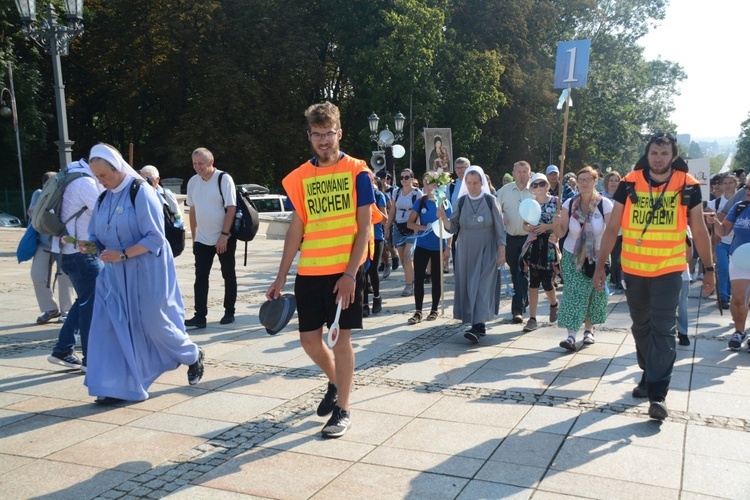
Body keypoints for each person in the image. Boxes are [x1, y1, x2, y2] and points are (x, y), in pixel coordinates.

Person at [266, 101, 375, 438]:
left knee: (342, 342)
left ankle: (342, 409)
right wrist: (281, 275)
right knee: (310, 341)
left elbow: (365, 227)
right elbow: (296, 230)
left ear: (339, 133)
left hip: (344, 272)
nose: (324, 140)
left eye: (329, 134)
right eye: (317, 135)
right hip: (311, 271)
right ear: (310, 136)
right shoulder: (301, 177)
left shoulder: (358, 171)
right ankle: (335, 381)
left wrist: (350, 275)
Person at [593, 133, 715, 421]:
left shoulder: (688, 186)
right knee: (641, 326)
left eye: (664, 153)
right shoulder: (629, 182)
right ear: (647, 155)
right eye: (653, 153)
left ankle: (658, 394)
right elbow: (612, 229)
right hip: (634, 270)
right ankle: (649, 372)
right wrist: (601, 265)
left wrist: (709, 269)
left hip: (669, 270)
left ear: (673, 156)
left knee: (663, 328)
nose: (658, 158)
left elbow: (698, 230)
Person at [83, 144, 204, 403]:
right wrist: (90, 246)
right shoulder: (102, 198)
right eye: (97, 177)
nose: (100, 181)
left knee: (154, 323)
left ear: (118, 168)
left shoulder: (141, 192)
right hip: (114, 275)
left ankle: (192, 355)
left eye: (104, 175)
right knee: (110, 328)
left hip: (147, 271)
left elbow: (156, 238)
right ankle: (115, 387)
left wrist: (123, 253)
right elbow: (96, 236)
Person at [46, 159, 104, 372]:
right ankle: (91, 360)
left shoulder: (69, 174)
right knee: (92, 304)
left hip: (64, 250)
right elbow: (103, 210)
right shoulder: (84, 182)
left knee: (84, 300)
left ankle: (63, 350)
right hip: (80, 253)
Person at [439, 166, 506, 343]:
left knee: (482, 285)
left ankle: (476, 327)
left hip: (488, 249)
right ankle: (479, 323)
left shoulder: (491, 200)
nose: (472, 186)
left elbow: (500, 228)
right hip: (466, 250)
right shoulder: (460, 202)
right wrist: (444, 219)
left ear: (482, 182)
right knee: (470, 285)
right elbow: (453, 228)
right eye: (469, 183)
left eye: (476, 183)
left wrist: (502, 250)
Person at [553, 166, 612, 350]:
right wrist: (555, 225)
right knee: (573, 293)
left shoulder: (605, 204)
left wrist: (607, 258)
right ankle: (571, 335)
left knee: (594, 295)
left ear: (596, 181)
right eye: (581, 180)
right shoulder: (569, 204)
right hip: (573, 256)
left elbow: (611, 231)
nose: (584, 183)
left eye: (588, 179)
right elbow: (561, 232)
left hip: (598, 256)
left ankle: (589, 330)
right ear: (577, 183)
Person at [185, 147, 237, 328]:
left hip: (224, 237)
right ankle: (200, 316)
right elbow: (192, 210)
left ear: (211, 162)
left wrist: (224, 235)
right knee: (200, 278)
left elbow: (231, 207)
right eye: (194, 164)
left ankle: (229, 311)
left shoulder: (224, 179)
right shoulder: (193, 182)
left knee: (228, 274)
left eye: (201, 164)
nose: (197, 167)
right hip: (202, 238)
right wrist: (194, 236)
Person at [28, 172, 74, 325]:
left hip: (62, 243)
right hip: (43, 243)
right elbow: (31, 213)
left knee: (64, 278)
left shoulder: (66, 195)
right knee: (37, 275)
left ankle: (67, 311)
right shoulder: (38, 194)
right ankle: (50, 308)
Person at [406, 173, 451, 324]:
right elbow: (409, 223)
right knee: (418, 277)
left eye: (430, 184)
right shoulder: (421, 201)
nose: (427, 187)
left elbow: (450, 227)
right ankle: (418, 310)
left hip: (438, 246)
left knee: (437, 278)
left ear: (437, 185)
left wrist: (448, 247)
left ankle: (434, 309)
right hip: (423, 245)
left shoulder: (444, 202)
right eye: (425, 184)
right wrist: (424, 227)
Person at [711, 181, 750, 351]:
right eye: (748, 187)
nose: (748, 191)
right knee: (738, 299)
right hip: (739, 259)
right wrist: (714, 222)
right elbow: (723, 231)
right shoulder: (740, 207)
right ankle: (739, 332)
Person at [520, 173, 559, 332]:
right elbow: (525, 224)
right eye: (534, 185)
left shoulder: (556, 202)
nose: (538, 187)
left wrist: (547, 227)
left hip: (549, 245)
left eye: (541, 184)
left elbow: (560, 224)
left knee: (547, 282)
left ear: (547, 185)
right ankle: (532, 318)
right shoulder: (529, 203)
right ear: (531, 188)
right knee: (533, 282)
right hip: (534, 244)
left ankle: (554, 303)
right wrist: (528, 228)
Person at [495, 161, 532, 324]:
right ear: (513, 173)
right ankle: (524, 299)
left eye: (525, 172)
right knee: (515, 273)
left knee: (522, 271)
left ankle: (517, 310)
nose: (522, 174)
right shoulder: (504, 191)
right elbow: (495, 212)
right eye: (519, 172)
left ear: (530, 173)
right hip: (510, 238)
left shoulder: (535, 190)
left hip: (529, 239)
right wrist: (500, 218)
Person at [386, 168, 422, 297]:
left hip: (412, 227)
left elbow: (420, 211)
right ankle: (411, 277)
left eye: (407, 177)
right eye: (402, 177)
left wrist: (417, 228)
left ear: (412, 179)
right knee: (402, 258)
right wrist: (387, 227)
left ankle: (409, 285)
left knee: (407, 256)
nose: (404, 180)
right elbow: (392, 211)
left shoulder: (417, 194)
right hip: (399, 227)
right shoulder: (396, 192)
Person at [710, 173, 737, 309]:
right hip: (721, 241)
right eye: (725, 183)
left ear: (735, 184)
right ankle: (723, 296)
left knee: (734, 270)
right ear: (721, 185)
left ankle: (732, 292)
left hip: (737, 242)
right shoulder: (716, 202)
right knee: (723, 268)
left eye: (730, 182)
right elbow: (707, 219)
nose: (727, 185)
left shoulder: (742, 202)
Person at [364, 177, 388, 317]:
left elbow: (384, 218)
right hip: (361, 236)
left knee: (372, 268)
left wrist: (371, 210)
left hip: (376, 236)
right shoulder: (357, 194)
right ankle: (364, 303)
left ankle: (377, 297)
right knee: (363, 271)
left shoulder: (379, 195)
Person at [602, 171, 624, 290]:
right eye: (611, 180)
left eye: (616, 180)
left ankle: (618, 280)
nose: (613, 183)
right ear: (607, 182)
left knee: (617, 257)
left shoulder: (623, 197)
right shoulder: (600, 197)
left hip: (619, 232)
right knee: (605, 256)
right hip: (603, 232)